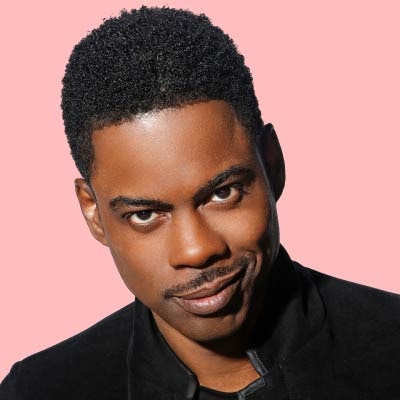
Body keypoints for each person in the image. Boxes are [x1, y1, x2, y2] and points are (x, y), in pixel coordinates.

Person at [1, 6, 399, 399]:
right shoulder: (38, 391)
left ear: (272, 165)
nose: (196, 249)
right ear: (94, 214)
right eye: (145, 215)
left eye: (223, 193)